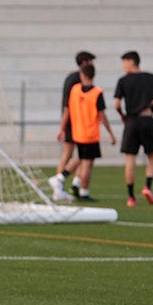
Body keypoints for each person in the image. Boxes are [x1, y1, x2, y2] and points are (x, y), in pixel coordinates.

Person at [114, 51, 153, 207]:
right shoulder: (150, 77)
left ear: (132, 62)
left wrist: (122, 115)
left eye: (125, 62)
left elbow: (117, 104)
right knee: (151, 156)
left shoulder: (123, 81)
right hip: (147, 119)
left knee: (130, 158)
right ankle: (147, 186)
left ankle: (131, 197)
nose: (123, 66)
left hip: (131, 121)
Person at [56, 63, 115, 202]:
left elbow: (67, 110)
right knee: (87, 163)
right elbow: (102, 115)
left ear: (82, 75)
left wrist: (62, 128)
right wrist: (110, 133)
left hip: (77, 132)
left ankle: (69, 182)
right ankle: (80, 190)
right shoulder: (97, 92)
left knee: (82, 158)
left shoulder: (75, 90)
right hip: (90, 133)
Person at [49, 50, 96, 202]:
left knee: (74, 155)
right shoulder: (77, 80)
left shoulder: (71, 77)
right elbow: (68, 106)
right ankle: (60, 184)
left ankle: (70, 185)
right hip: (75, 123)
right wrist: (63, 127)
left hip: (74, 122)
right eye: (90, 61)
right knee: (77, 155)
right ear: (84, 63)